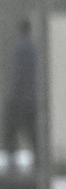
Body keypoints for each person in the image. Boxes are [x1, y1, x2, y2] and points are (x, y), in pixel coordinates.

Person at [2, 18, 36, 174]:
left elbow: (19, 75)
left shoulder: (21, 49)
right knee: (32, 133)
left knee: (11, 130)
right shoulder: (33, 49)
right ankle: (38, 163)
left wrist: (13, 96)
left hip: (20, 99)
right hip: (32, 99)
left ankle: (12, 164)